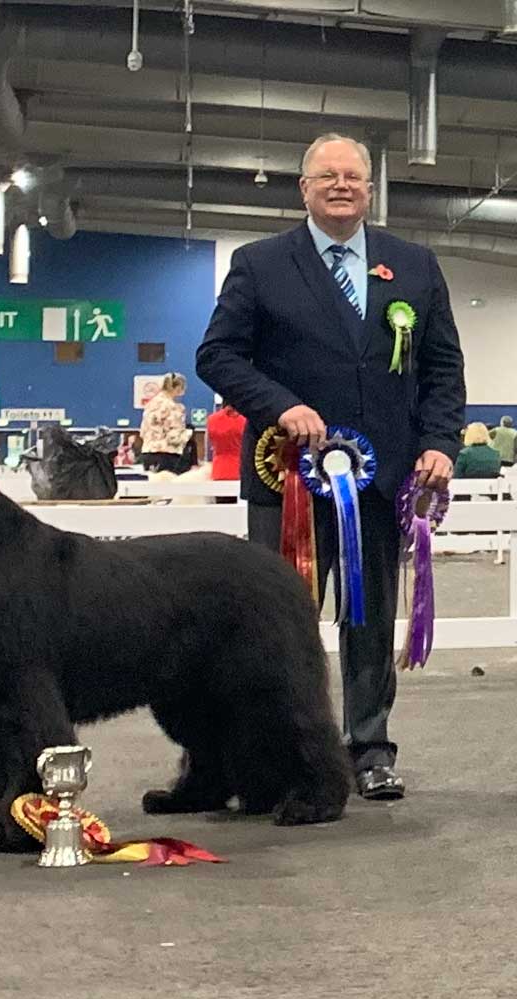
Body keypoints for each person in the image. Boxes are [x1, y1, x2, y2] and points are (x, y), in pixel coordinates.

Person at [196, 133, 465, 801]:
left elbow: (442, 370)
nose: (341, 185)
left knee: (369, 619)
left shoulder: (415, 266)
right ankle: (272, 752)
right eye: (327, 176)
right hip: (285, 476)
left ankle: (369, 748)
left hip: (382, 477)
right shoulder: (259, 264)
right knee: (274, 624)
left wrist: (440, 443)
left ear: (371, 188)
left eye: (353, 176)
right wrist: (282, 407)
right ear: (304, 187)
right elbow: (218, 357)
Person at [139, 372, 193, 473]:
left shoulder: (150, 405)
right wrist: (188, 433)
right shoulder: (173, 407)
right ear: (178, 388)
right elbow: (174, 437)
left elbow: (143, 432)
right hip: (167, 455)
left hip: (147, 453)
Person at [207, 402, 246, 481]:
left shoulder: (212, 419)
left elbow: (210, 441)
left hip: (218, 469)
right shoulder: (245, 420)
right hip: (239, 468)